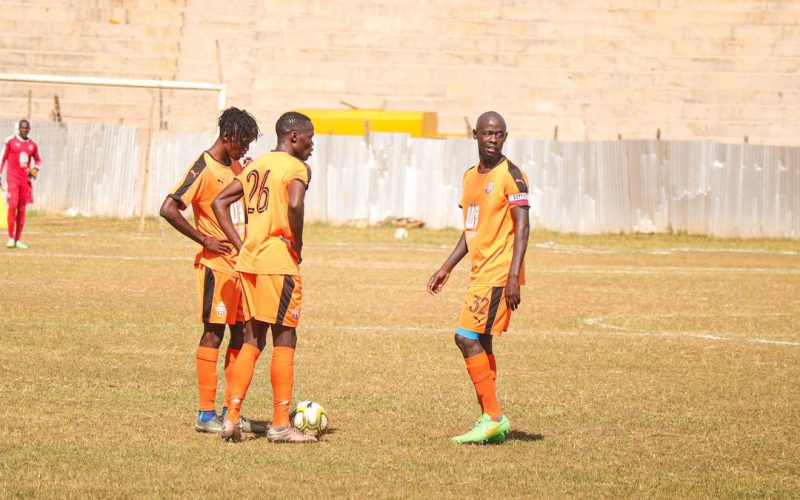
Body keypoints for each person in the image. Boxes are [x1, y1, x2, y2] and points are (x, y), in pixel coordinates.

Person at [160, 107, 265, 435]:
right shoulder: (203, 167)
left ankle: (230, 412)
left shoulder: (237, 166)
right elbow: (168, 208)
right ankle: (205, 414)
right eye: (243, 142)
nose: (246, 148)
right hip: (216, 267)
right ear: (228, 137)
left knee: (241, 335)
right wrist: (205, 238)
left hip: (242, 267)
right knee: (213, 333)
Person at [427, 111, 531, 444]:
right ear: (475, 135)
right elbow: (470, 230)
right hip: (480, 271)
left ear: (505, 136)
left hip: (499, 273)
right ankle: (490, 419)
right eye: (487, 134)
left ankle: (494, 416)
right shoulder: (470, 176)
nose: (493, 139)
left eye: (499, 134)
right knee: (481, 342)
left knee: (464, 337)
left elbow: (523, 227)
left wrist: (514, 276)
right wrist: (446, 267)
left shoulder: (511, 175)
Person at [212, 111, 315, 443]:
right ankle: (281, 424)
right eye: (310, 138)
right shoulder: (296, 168)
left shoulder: (255, 165)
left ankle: (231, 418)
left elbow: (220, 202)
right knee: (285, 338)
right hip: (277, 263)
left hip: (250, 263)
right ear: (294, 136)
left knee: (252, 339)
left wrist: (242, 245)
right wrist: (296, 244)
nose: (313, 144)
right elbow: (296, 205)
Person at [1, 120, 42, 249]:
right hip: (12, 180)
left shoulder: (32, 145)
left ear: (29, 129)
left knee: (22, 210)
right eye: (22, 128)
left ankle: (18, 239)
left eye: (27, 128)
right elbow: (2, 158)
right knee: (12, 206)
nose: (24, 130)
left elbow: (39, 160)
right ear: (18, 129)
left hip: (25, 181)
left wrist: (35, 170)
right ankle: (10, 238)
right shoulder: (10, 142)